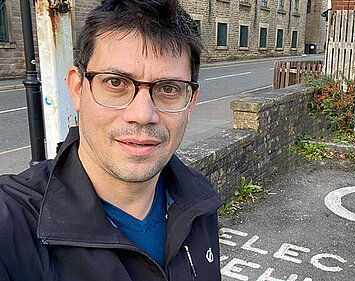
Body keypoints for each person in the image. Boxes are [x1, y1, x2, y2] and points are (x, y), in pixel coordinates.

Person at [0, 0, 223, 280]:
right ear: (78, 89)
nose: (143, 115)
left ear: (190, 103)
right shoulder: (12, 227)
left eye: (169, 88)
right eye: (116, 82)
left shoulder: (199, 201)